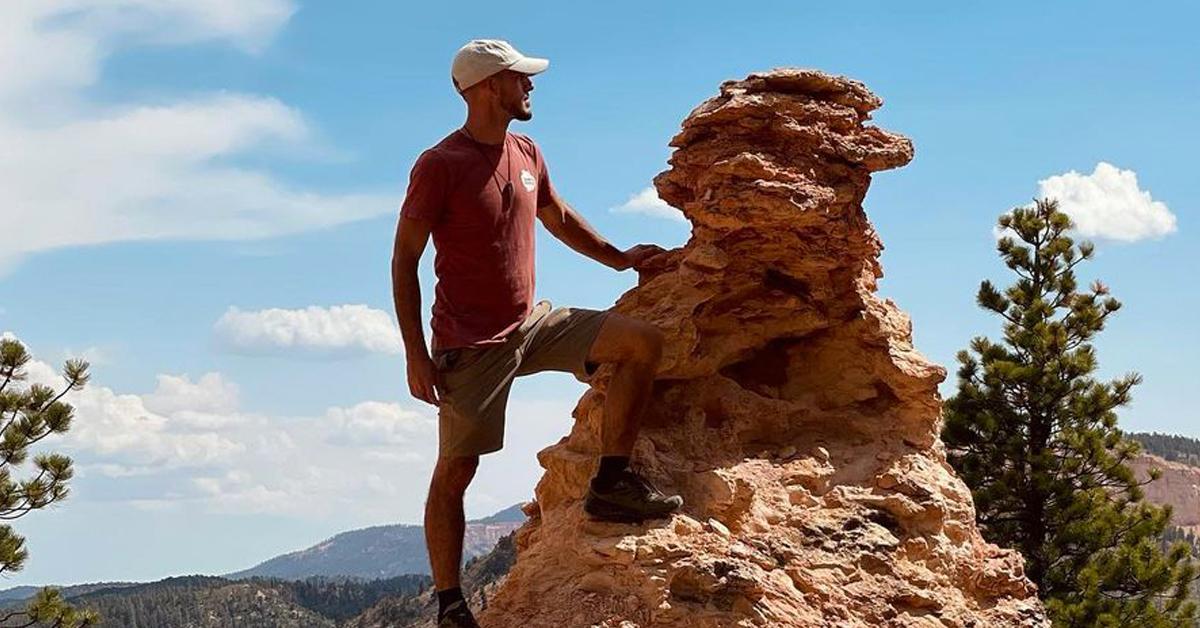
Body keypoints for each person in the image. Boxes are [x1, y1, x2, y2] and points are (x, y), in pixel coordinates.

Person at [391, 39, 684, 628]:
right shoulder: (439, 164)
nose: (530, 86)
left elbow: (557, 216)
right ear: (486, 86)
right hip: (470, 344)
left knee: (640, 343)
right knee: (457, 470)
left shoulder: (526, 150)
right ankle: (450, 604)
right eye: (520, 77)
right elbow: (404, 260)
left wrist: (621, 259)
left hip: (533, 322)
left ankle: (611, 481)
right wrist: (416, 356)